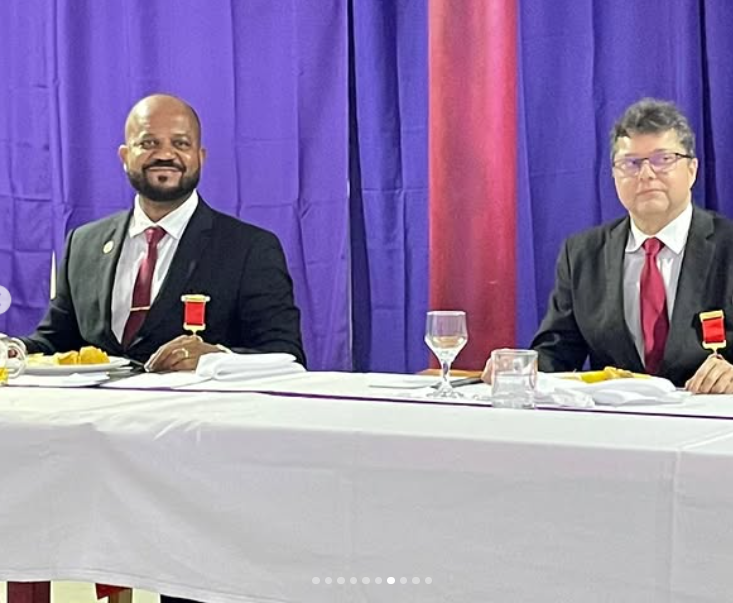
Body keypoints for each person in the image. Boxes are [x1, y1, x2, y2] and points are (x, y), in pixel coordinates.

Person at [19, 93, 305, 372]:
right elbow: (54, 342)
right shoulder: (83, 243)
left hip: (198, 405)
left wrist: (216, 358)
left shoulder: (250, 249)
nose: (166, 154)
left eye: (181, 143)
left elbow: (285, 355)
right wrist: (13, 350)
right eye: (148, 143)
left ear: (200, 157)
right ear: (125, 156)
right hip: (95, 405)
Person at [483, 98, 733, 393]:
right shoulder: (582, 255)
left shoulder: (726, 246)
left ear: (692, 169)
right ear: (614, 174)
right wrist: (521, 368)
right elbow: (558, 351)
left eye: (663, 159)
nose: (646, 174)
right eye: (631, 163)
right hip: (614, 417)